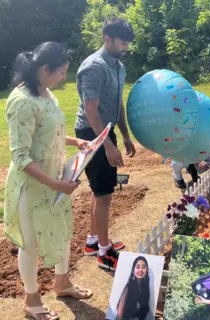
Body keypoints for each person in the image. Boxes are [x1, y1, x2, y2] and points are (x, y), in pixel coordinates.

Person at [4, 42, 93, 320]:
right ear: (44, 69)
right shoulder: (22, 102)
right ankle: (32, 301)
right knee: (30, 243)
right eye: (61, 72)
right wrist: (56, 185)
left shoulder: (46, 93)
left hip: (56, 180)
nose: (63, 77)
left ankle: (62, 282)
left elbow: (50, 132)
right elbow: (20, 155)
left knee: (63, 231)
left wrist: (75, 140)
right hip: (31, 187)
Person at [75, 18, 137, 271]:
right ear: (107, 38)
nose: (125, 47)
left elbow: (117, 103)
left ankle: (93, 241)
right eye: (122, 42)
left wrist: (123, 135)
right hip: (92, 131)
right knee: (105, 195)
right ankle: (104, 252)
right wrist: (107, 145)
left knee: (99, 191)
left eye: (128, 43)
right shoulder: (94, 67)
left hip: (107, 130)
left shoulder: (118, 66)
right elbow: (91, 110)